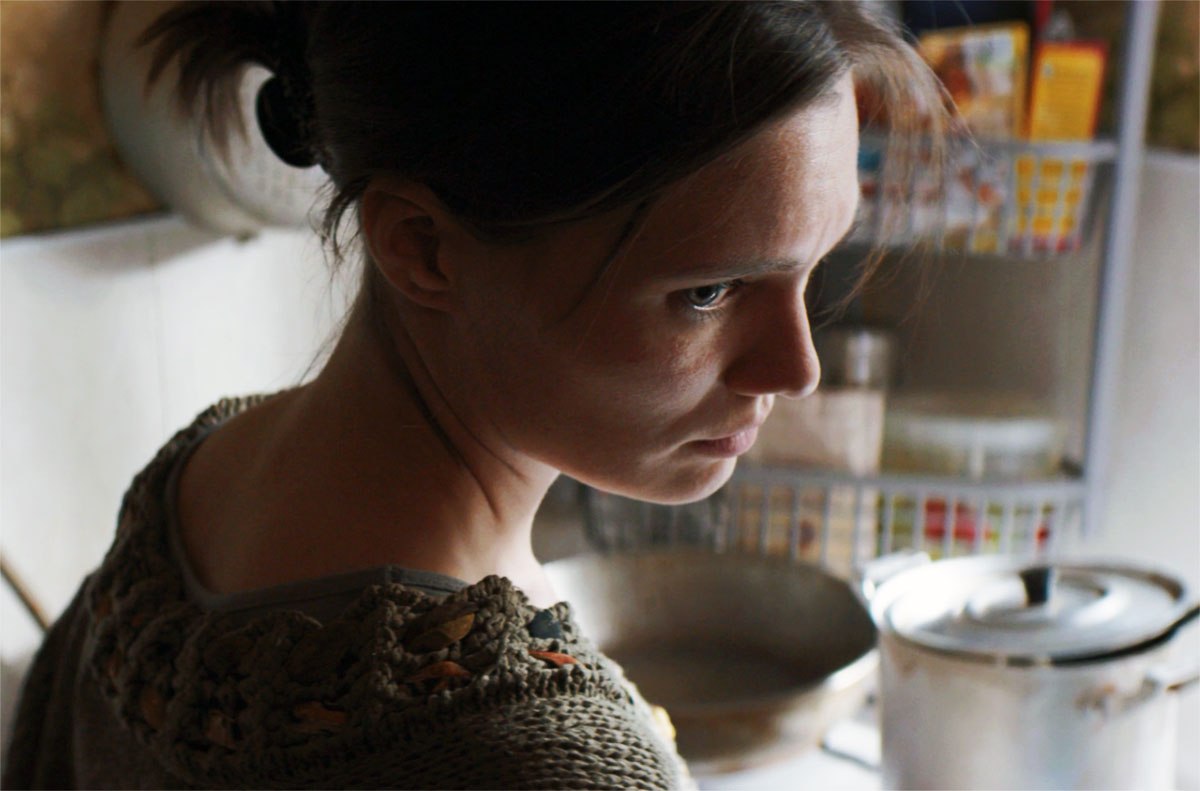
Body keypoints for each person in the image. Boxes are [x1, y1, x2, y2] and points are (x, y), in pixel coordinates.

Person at [3, 2, 945, 788]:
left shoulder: (193, 486)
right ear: (422, 246)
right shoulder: (550, 763)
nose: (797, 368)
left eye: (814, 267)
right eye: (710, 291)